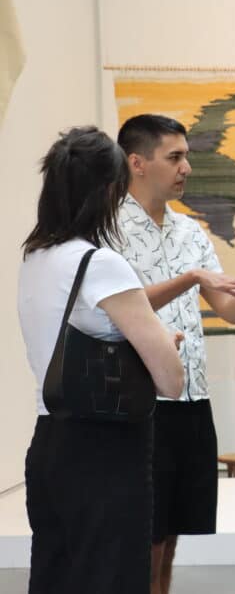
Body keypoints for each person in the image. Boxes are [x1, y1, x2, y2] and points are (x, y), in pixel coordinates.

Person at [113, 113, 235, 594]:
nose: (186, 168)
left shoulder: (191, 233)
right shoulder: (107, 233)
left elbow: (229, 309)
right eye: (174, 157)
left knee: (174, 528)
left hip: (191, 399)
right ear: (137, 162)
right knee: (144, 529)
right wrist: (189, 281)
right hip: (138, 401)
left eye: (187, 157)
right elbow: (116, 311)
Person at [18, 126, 185, 594]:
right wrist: (166, 343)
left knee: (56, 575)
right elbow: (170, 380)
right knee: (112, 578)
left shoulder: (36, 258)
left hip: (50, 442)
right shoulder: (101, 265)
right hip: (106, 452)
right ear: (109, 189)